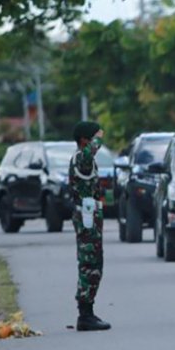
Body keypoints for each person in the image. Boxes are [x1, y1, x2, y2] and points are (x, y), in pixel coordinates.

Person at [69, 121, 111, 331]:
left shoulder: (86, 161)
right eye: (93, 137)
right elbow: (91, 151)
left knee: (95, 262)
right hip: (86, 217)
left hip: (91, 215)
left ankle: (88, 311)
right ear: (85, 140)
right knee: (89, 263)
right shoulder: (81, 159)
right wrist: (99, 136)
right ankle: (85, 314)